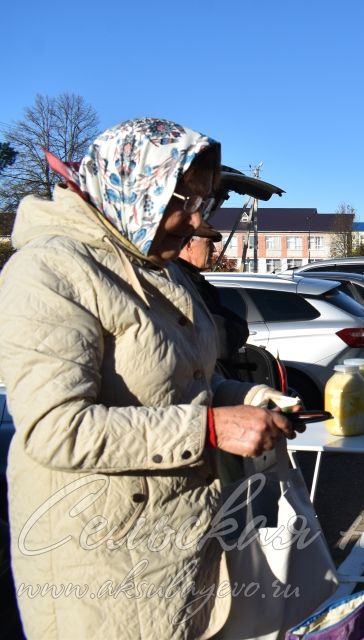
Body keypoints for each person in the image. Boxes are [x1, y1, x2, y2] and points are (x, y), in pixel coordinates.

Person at [0, 118, 302, 639]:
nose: (195, 221)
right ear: (134, 188)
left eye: (202, 204)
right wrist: (209, 429)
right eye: (182, 201)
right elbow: (57, 428)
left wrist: (251, 398)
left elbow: (191, 386)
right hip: (102, 569)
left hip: (182, 548)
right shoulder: (49, 272)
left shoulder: (157, 268)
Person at [178, 222, 249, 360]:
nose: (214, 250)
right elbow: (218, 337)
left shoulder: (194, 280)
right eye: (209, 243)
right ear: (189, 245)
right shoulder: (181, 282)